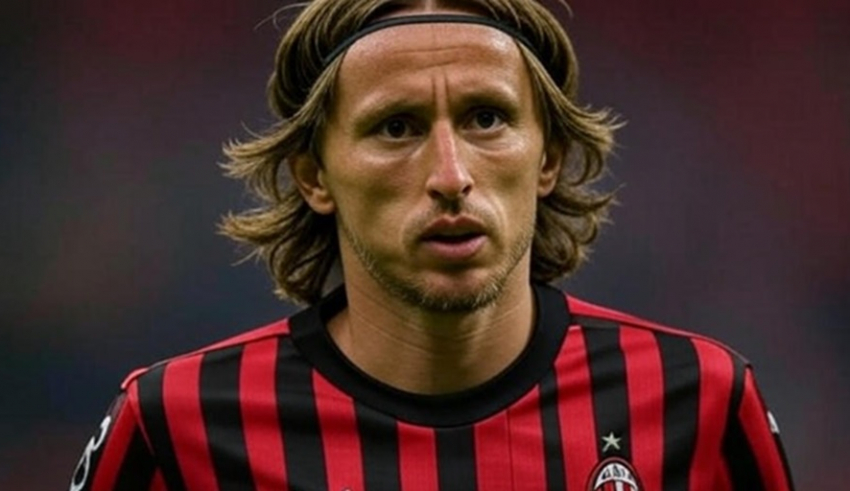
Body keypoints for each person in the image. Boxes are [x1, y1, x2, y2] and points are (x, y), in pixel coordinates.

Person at [69, 0, 795, 489]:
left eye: (486, 118)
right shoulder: (177, 423)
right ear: (314, 174)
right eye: (397, 127)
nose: (451, 176)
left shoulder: (698, 398)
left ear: (548, 157)